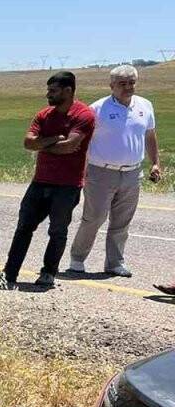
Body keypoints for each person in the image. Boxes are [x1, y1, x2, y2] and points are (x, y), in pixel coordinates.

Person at [0, 71, 96, 289]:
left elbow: (70, 146)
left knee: (57, 231)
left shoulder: (84, 115)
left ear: (68, 91)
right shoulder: (44, 115)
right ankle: (9, 273)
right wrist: (53, 140)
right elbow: (28, 143)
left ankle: (48, 273)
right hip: (40, 181)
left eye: (53, 90)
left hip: (68, 185)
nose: (47, 95)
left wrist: (43, 144)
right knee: (24, 228)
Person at [68, 64, 162, 278]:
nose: (128, 87)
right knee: (94, 218)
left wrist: (155, 162)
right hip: (101, 172)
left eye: (132, 83)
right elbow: (84, 141)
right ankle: (77, 259)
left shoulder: (145, 106)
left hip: (131, 173)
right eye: (122, 84)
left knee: (122, 221)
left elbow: (150, 135)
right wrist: (81, 172)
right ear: (111, 86)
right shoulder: (97, 109)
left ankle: (115, 263)